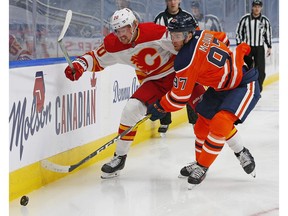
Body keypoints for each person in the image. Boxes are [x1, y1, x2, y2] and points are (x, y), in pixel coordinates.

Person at [64, 8, 202, 179]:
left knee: (204, 113)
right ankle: (119, 157)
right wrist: (79, 66)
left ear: (135, 25)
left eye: (125, 29)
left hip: (179, 74)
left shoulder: (154, 32)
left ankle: (204, 162)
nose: (121, 34)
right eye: (117, 30)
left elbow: (186, 44)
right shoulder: (113, 44)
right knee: (131, 109)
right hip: (154, 82)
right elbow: (96, 58)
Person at [147, 14, 261, 187]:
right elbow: (223, 38)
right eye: (172, 35)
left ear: (189, 35)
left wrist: (160, 106)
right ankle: (206, 159)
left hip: (244, 84)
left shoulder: (185, 59)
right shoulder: (202, 34)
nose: (174, 40)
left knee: (220, 123)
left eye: (178, 36)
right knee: (201, 125)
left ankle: (205, 165)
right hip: (222, 87)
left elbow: (179, 98)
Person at [154, 0, 202, 134]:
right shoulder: (159, 19)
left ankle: (195, 121)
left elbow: (196, 37)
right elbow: (154, 41)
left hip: (185, 60)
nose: (172, 2)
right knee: (163, 88)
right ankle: (164, 121)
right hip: (166, 62)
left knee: (189, 88)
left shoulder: (188, 17)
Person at [235, 0, 272, 92]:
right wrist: (240, 45)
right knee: (246, 68)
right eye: (255, 6)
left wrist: (269, 47)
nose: (257, 8)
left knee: (261, 70)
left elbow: (267, 34)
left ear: (261, 8)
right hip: (248, 48)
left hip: (259, 48)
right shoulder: (245, 19)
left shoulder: (265, 21)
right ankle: (245, 88)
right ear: (252, 7)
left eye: (258, 7)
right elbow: (238, 32)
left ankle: (258, 89)